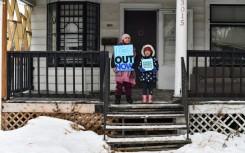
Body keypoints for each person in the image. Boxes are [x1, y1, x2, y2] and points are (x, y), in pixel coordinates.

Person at [111, 34, 136, 104]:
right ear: (123, 39)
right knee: (119, 85)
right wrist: (113, 66)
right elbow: (114, 57)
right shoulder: (118, 48)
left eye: (129, 38)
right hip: (120, 70)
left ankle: (128, 98)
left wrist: (133, 66)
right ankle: (117, 98)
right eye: (126, 38)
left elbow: (134, 58)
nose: (127, 39)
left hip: (129, 70)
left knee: (128, 85)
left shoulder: (132, 48)